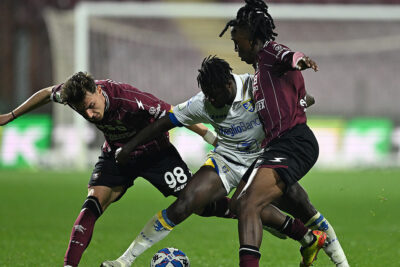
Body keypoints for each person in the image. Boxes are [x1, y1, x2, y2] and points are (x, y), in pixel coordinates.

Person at [101, 56, 326, 267]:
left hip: (262, 161)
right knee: (184, 204)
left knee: (246, 206)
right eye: (206, 94)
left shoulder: (256, 89)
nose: (209, 99)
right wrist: (128, 148)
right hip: (226, 159)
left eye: (213, 94)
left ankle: (306, 237)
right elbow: (163, 123)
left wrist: (299, 102)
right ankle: (124, 261)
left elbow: (304, 98)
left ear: (228, 85)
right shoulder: (203, 103)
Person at [0, 72, 233, 267]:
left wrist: (208, 135)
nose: (90, 114)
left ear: (99, 92)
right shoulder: (74, 95)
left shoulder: (130, 100)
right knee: (93, 202)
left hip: (157, 155)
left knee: (197, 204)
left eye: (91, 106)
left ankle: (244, 209)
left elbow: (176, 114)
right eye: (83, 112)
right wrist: (11, 116)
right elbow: (46, 93)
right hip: (117, 154)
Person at [219, 0, 349, 267]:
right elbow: (302, 97)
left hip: (294, 143)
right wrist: (300, 101)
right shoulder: (258, 75)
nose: (236, 49)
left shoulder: (268, 52)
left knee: (250, 204)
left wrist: (301, 61)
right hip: (276, 147)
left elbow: (289, 56)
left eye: (238, 42)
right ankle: (318, 245)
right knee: (241, 205)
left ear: (253, 39)